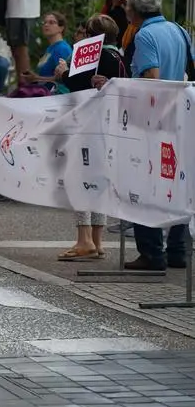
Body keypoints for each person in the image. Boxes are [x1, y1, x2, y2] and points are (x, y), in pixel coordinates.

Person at [124, 0, 194, 270]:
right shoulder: (179, 30)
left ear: (135, 10)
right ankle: (178, 250)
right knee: (178, 182)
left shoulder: (145, 36)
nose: (125, 8)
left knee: (146, 185)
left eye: (128, 4)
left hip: (153, 121)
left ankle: (152, 252)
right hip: (181, 118)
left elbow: (151, 77)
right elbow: (189, 70)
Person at [53, 15, 126, 261]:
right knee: (99, 180)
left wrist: (63, 73)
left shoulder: (96, 55)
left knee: (78, 177)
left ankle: (83, 239)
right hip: (108, 128)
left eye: (85, 33)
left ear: (93, 36)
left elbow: (78, 84)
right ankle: (97, 240)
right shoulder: (119, 56)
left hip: (88, 126)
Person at [18, 11, 72, 92]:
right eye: (45, 22)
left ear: (61, 28)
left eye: (51, 22)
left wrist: (36, 78)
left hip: (57, 96)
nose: (46, 25)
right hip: (45, 94)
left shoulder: (62, 48)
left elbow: (64, 77)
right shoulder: (49, 49)